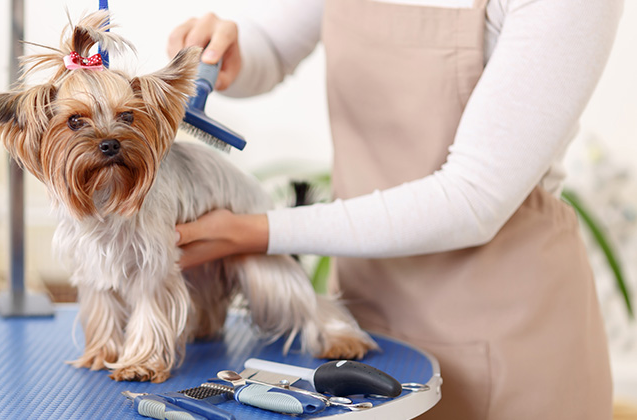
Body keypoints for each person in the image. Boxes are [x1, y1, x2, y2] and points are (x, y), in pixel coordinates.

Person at [168, 0, 622, 419]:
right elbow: (272, 48)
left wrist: (254, 231)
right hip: (362, 317)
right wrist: (230, 52)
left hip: (507, 333)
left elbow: (472, 198)